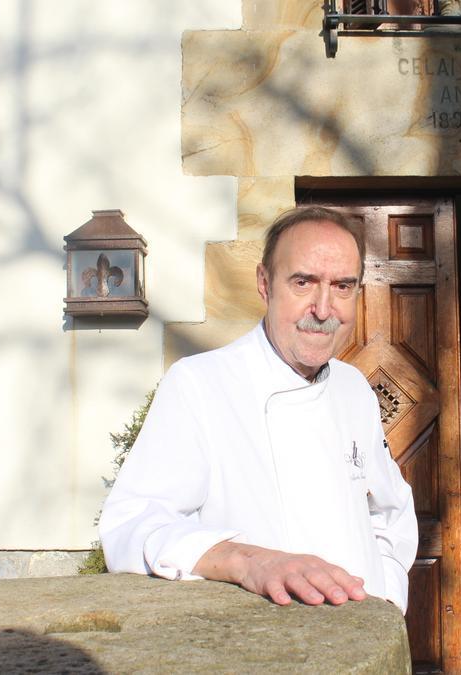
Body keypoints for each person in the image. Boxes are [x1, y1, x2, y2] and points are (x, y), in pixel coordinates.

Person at [98, 206, 418, 612]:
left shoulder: (354, 388)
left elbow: (391, 511)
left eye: (342, 286)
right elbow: (132, 525)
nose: (323, 310)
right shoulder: (200, 383)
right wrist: (250, 562)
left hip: (365, 641)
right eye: (303, 282)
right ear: (265, 284)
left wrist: (385, 595)